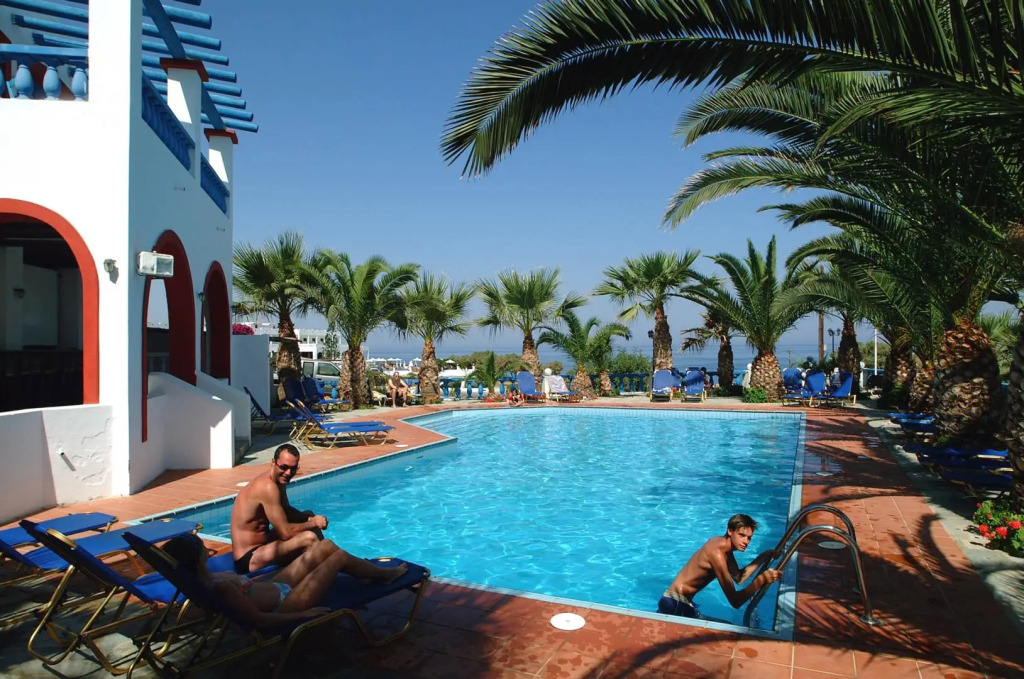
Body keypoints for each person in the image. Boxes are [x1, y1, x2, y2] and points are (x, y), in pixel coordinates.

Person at [162, 534, 407, 629]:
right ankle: (386, 574)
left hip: (275, 586)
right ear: (197, 560)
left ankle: (367, 573)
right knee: (338, 557)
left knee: (325, 546)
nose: (207, 549)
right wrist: (303, 614)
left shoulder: (202, 579)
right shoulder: (221, 587)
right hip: (287, 603)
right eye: (203, 548)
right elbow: (259, 620)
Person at [230, 444, 327, 574]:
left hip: (264, 543)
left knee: (308, 515)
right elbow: (285, 533)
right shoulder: (268, 487)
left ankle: (326, 560)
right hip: (249, 558)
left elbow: (286, 509)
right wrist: (314, 523)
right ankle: (325, 569)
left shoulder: (278, 480)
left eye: (293, 468)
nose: (288, 473)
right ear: (273, 463)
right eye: (284, 467)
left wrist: (310, 519)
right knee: (308, 538)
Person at [659, 514, 780, 619]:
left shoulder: (723, 546)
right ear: (730, 531)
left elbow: (739, 578)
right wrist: (761, 580)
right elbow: (735, 601)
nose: (746, 541)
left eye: (749, 538)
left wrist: (764, 556)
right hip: (675, 604)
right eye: (741, 535)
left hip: (678, 602)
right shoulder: (717, 554)